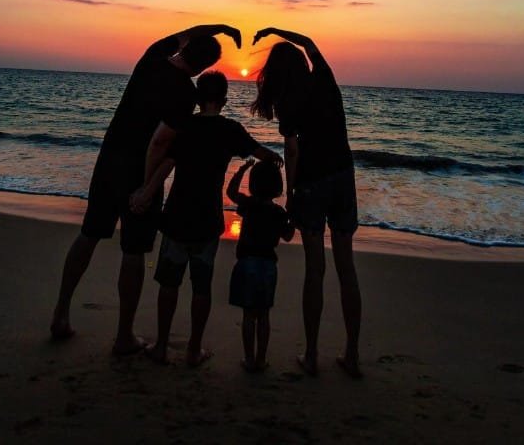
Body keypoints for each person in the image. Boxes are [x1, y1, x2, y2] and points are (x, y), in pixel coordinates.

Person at [50, 24, 241, 354]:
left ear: (183, 49)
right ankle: (124, 335)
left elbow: (187, 32)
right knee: (133, 250)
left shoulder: (152, 58)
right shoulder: (185, 95)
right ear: (201, 69)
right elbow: (160, 143)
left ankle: (60, 313)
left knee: (89, 233)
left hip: (109, 163)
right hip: (140, 173)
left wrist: (221, 27)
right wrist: (147, 188)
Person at [129, 70, 282, 366]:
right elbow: (259, 151)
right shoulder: (230, 130)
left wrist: (146, 192)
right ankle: (193, 349)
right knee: (201, 287)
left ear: (199, 98)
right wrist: (277, 160)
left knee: (169, 284)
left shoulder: (184, 126)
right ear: (224, 101)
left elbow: (167, 164)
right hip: (208, 220)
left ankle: (161, 346)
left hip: (176, 216)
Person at [250, 27, 362, 378]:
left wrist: (292, 191)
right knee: (347, 270)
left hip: (312, 184)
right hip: (343, 178)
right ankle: (352, 354)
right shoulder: (325, 79)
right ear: (302, 61)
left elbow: (293, 150)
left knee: (315, 271)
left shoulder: (288, 100)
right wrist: (274, 30)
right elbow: (311, 42)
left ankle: (312, 355)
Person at [227, 158, 294, 372]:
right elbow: (289, 236)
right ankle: (261, 359)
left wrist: (242, 168)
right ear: (277, 186)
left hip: (246, 264)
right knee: (263, 315)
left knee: (249, 315)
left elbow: (230, 192)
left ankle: (248, 359)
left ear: (253, 184)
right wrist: (292, 214)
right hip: (267, 267)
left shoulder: (249, 205)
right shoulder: (278, 213)